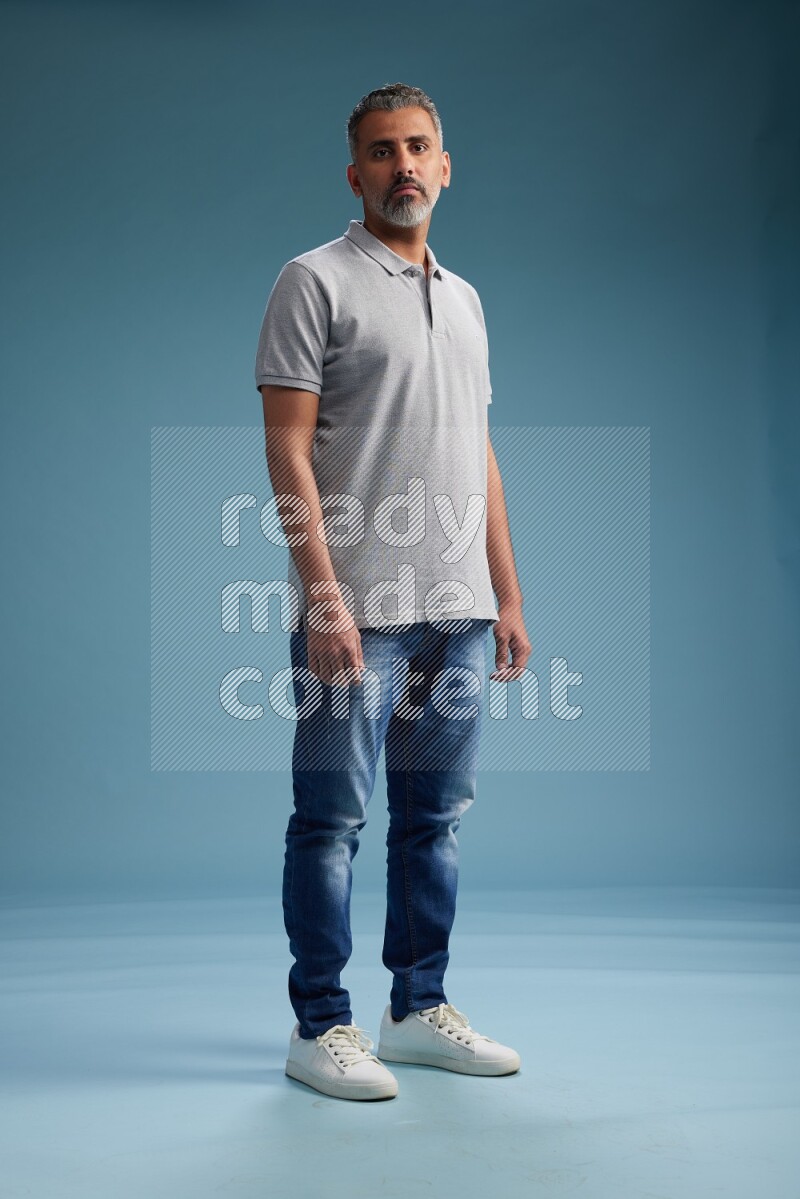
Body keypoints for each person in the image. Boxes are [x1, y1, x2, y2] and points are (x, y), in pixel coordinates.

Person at [255, 82, 531, 1102]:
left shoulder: (462, 296)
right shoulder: (311, 280)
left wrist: (505, 593)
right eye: (381, 151)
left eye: (418, 147)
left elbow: (478, 453)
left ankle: (415, 1008)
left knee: (436, 818)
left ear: (444, 165)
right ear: (355, 172)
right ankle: (318, 1024)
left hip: (456, 610)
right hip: (358, 609)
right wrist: (322, 596)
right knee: (330, 821)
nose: (402, 165)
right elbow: (287, 448)